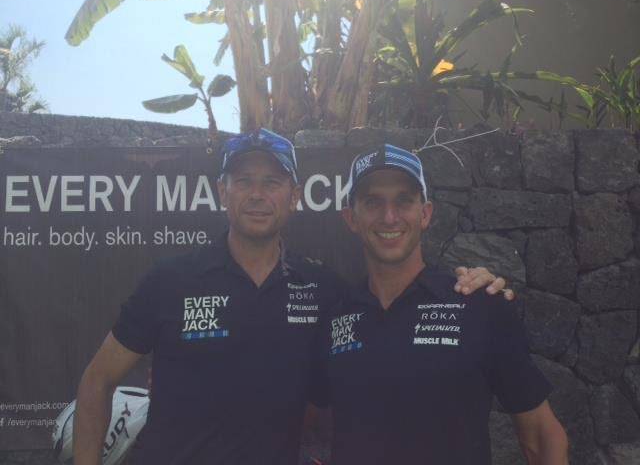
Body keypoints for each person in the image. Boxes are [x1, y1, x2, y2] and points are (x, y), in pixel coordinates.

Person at [72, 130, 511, 465]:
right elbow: (97, 381)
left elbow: (332, 397)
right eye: (244, 181)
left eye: (273, 182)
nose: (258, 195)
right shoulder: (171, 280)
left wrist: (478, 280)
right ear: (223, 193)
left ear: (295, 197)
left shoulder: (325, 291)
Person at [322, 144, 568, 465]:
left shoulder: (479, 304)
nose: (389, 216)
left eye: (404, 201)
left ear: (425, 214)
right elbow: (314, 419)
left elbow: (540, 436)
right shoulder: (335, 314)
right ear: (351, 218)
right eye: (372, 202)